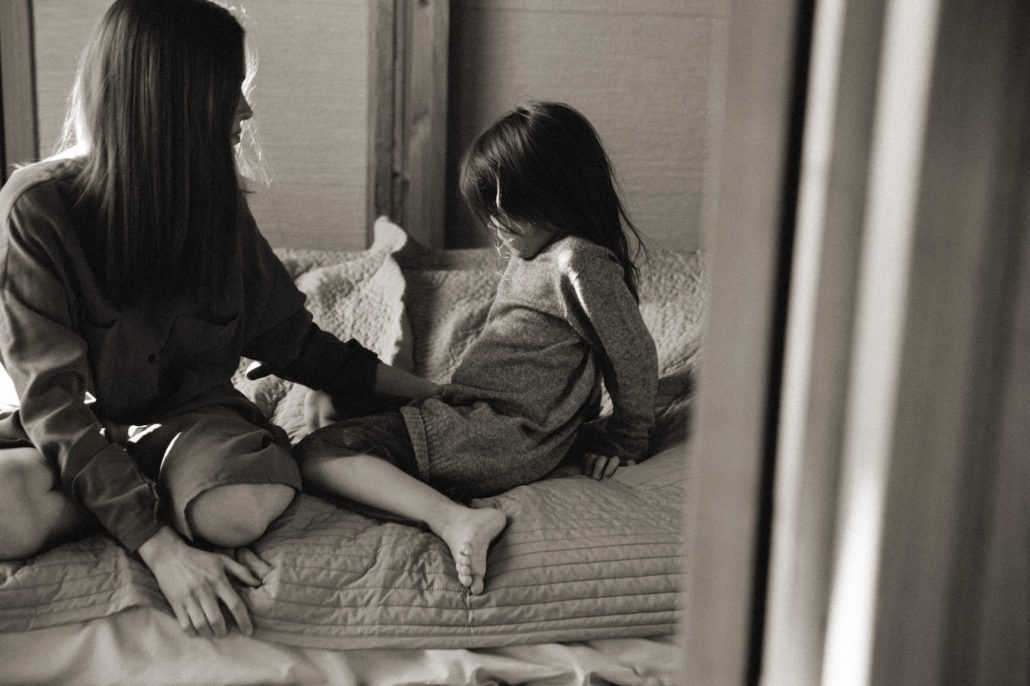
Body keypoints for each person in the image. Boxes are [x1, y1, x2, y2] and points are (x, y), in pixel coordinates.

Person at [0, 0, 438, 638]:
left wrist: (436, 392)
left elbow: (296, 345)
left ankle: (155, 488)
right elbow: (53, 403)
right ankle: (140, 494)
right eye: (230, 92)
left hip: (195, 425)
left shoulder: (215, 206)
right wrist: (160, 548)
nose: (246, 112)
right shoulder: (35, 209)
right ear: (174, 102)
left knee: (235, 511)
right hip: (81, 430)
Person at [295, 101, 659, 595]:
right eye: (489, 215)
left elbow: (631, 352)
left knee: (316, 454)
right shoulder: (537, 255)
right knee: (331, 398)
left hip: (500, 432)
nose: (495, 229)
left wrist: (626, 440)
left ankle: (456, 520)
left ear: (555, 194)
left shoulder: (578, 260)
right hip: (475, 412)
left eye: (506, 215)